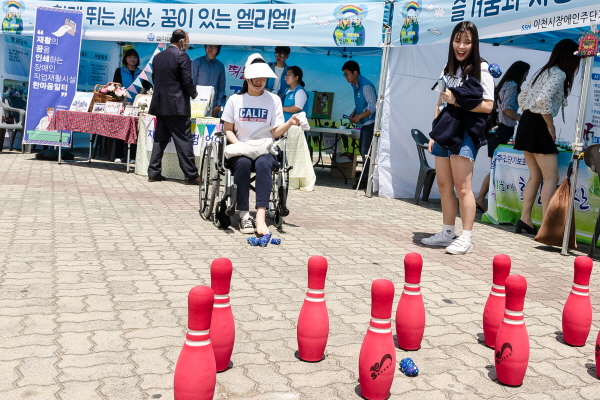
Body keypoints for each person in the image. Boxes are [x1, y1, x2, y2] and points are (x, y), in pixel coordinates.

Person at [422, 21, 494, 255]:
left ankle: (467, 237)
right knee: (444, 185)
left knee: (463, 188)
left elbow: (488, 107)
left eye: (467, 42)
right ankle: (447, 232)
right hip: (445, 131)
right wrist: (434, 132)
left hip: (465, 133)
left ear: (475, 44)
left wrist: (458, 101)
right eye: (457, 40)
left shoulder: (482, 69)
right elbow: (440, 102)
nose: (461, 46)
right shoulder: (447, 68)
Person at [222, 54, 300, 235]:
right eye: (255, 78)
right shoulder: (235, 100)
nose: (259, 82)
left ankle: (260, 217)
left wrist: (289, 123)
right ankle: (243, 214)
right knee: (242, 163)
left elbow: (274, 132)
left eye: (263, 78)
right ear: (247, 78)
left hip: (265, 149)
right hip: (241, 148)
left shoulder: (273, 100)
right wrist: (241, 147)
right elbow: (228, 130)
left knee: (264, 163)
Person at [513, 39, 580, 234]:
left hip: (526, 121)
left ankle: (525, 219)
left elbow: (523, 97)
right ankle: (547, 227)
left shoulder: (542, 71)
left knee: (536, 175)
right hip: (537, 124)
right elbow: (542, 100)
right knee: (551, 177)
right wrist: (549, 125)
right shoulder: (558, 73)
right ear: (570, 56)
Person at [475, 61, 530, 212]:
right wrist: (521, 119)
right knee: (496, 168)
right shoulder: (512, 85)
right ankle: (482, 199)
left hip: (495, 129)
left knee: (494, 167)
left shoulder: (504, 83)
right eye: (525, 75)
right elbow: (507, 109)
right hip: (502, 129)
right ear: (520, 73)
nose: (525, 78)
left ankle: (482, 199)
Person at [147, 29, 199, 185]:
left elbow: (155, 79)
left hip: (160, 103)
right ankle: (191, 175)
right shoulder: (182, 56)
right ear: (181, 41)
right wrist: (194, 93)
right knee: (184, 140)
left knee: (159, 140)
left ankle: (154, 172)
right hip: (176, 106)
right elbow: (186, 80)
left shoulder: (157, 57)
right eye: (188, 41)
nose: (188, 44)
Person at [112, 48, 152, 164]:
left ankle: (133, 156)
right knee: (120, 130)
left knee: (135, 131)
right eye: (130, 57)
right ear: (125, 58)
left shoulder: (142, 73)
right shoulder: (119, 70)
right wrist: (122, 98)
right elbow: (116, 87)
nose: (132, 59)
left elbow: (147, 88)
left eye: (134, 57)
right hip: (123, 105)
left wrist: (141, 100)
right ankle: (118, 155)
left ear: (138, 59)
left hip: (137, 108)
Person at [342, 60, 377, 190]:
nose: (346, 77)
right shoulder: (355, 85)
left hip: (370, 122)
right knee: (364, 152)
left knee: (365, 152)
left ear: (355, 73)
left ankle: (366, 180)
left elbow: (372, 107)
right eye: (344, 75)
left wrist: (358, 117)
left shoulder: (366, 86)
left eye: (347, 74)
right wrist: (353, 113)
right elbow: (361, 104)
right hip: (364, 122)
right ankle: (364, 177)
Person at [191, 44, 226, 117]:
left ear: (218, 49)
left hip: (213, 104)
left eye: (213, 47)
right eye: (208, 46)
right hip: (197, 103)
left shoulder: (220, 66)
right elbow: (192, 82)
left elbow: (221, 86)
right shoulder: (197, 62)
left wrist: (218, 105)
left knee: (211, 127)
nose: (210, 49)